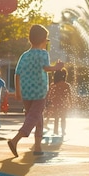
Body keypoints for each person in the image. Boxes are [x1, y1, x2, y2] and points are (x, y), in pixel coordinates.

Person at [7, 24, 64, 157]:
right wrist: (57, 67)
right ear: (44, 40)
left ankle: (38, 147)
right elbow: (46, 68)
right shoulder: (43, 53)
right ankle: (15, 140)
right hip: (39, 92)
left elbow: (17, 73)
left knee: (36, 118)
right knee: (33, 117)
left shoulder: (24, 55)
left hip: (26, 92)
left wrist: (17, 92)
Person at [45, 68, 73, 136]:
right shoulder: (67, 85)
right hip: (64, 104)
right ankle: (63, 131)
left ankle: (55, 131)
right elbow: (69, 95)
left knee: (56, 118)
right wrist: (71, 103)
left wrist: (47, 103)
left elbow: (49, 95)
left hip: (55, 104)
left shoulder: (53, 85)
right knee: (63, 118)